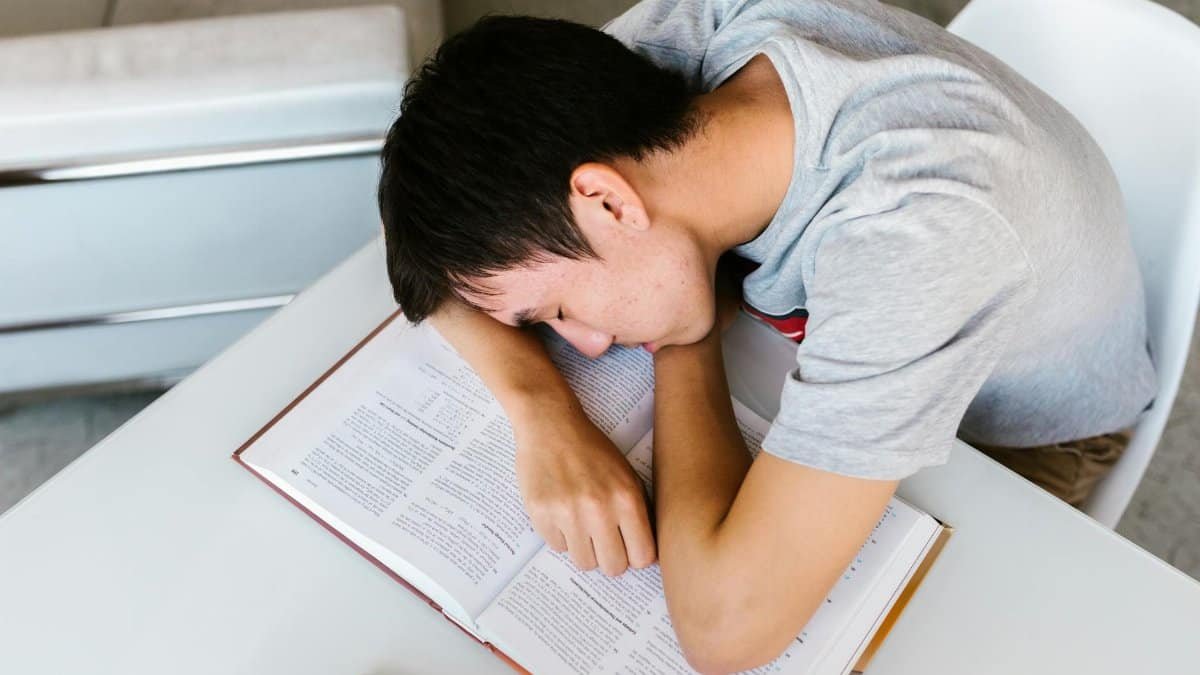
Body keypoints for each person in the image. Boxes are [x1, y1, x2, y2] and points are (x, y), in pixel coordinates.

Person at [375, 0, 1157, 671]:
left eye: (553, 310)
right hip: (845, 335)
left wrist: (685, 336)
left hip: (1014, 437)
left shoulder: (917, 233)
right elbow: (429, 271)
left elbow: (724, 630)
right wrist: (542, 415)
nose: (578, 341)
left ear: (608, 204)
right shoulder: (673, 49)